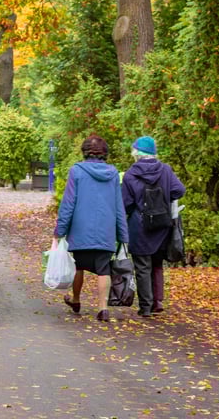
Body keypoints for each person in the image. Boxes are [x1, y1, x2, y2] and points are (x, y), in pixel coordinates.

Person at [54, 134, 128, 322]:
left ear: (85, 152)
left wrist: (60, 230)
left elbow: (68, 203)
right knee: (104, 269)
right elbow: (119, 206)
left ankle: (77, 300)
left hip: (80, 230)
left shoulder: (76, 172)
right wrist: (123, 236)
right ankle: (103, 309)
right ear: (105, 154)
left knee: (79, 266)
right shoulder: (112, 174)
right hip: (105, 231)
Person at [121, 136, 186, 318]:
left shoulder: (130, 175)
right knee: (157, 263)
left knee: (142, 266)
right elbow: (179, 190)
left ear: (136, 153)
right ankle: (157, 302)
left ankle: (146, 307)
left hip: (139, 226)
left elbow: (125, 203)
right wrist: (164, 198)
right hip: (162, 225)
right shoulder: (165, 170)